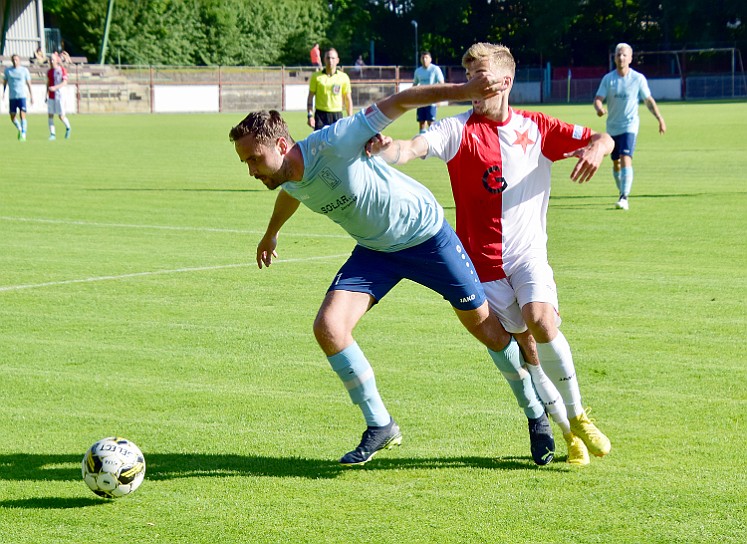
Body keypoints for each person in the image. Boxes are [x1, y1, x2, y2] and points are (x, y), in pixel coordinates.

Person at [229, 72, 559, 467]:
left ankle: (535, 413)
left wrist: (463, 92)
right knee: (329, 328)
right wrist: (271, 234)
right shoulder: (287, 173)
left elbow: (405, 99)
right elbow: (292, 192)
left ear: (282, 145)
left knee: (487, 330)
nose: (251, 170)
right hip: (375, 251)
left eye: (254, 159)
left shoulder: (334, 141)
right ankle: (380, 425)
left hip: (428, 237)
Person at [366, 42, 614, 465]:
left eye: (480, 77)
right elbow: (411, 148)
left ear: (505, 81)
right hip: (480, 267)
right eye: (468, 78)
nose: (473, 86)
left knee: (541, 320)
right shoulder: (456, 128)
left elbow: (602, 136)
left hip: (528, 254)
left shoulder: (536, 127)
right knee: (526, 352)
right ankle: (566, 430)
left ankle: (579, 414)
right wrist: (387, 149)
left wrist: (595, 148)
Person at [594, 42, 666, 210]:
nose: (621, 57)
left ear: (630, 58)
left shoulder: (638, 79)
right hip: (612, 127)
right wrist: (599, 108)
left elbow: (648, 100)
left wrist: (660, 118)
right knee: (616, 163)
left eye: (624, 54)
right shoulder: (608, 79)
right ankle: (622, 189)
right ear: (615, 57)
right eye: (618, 54)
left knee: (626, 159)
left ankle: (624, 196)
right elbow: (598, 98)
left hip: (629, 126)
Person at [306, 48, 353, 131]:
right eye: (328, 58)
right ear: (324, 60)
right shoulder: (316, 77)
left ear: (337, 60)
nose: (330, 61)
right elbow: (310, 97)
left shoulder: (343, 77)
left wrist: (350, 117)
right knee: (320, 142)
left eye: (333, 58)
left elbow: (348, 99)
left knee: (337, 143)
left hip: (337, 115)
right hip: (321, 115)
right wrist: (310, 115)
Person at [2, 54, 34, 141]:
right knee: (12, 116)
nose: (15, 61)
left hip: (22, 96)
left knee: (22, 115)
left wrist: (31, 96)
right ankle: (19, 127)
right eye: (13, 60)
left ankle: (23, 133)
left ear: (19, 60)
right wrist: (3, 92)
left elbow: (29, 83)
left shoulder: (24, 70)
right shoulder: (8, 71)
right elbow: (5, 82)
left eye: (16, 60)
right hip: (12, 96)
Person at [412, 51, 445, 133]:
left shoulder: (435, 69)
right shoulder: (418, 71)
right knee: (421, 122)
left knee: (431, 122)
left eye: (426, 57)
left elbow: (442, 84)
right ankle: (421, 139)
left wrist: (439, 99)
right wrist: (412, 98)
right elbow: (415, 85)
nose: (424, 59)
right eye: (423, 57)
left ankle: (433, 140)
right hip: (421, 101)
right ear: (420, 59)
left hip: (432, 100)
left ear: (430, 59)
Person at [46, 56, 72, 140]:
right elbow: (48, 83)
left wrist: (55, 88)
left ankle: (68, 128)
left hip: (60, 95)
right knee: (50, 115)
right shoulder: (49, 72)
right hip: (51, 96)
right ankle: (52, 134)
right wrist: (46, 94)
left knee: (61, 116)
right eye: (50, 59)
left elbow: (64, 82)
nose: (51, 61)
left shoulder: (62, 70)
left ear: (57, 60)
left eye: (52, 59)